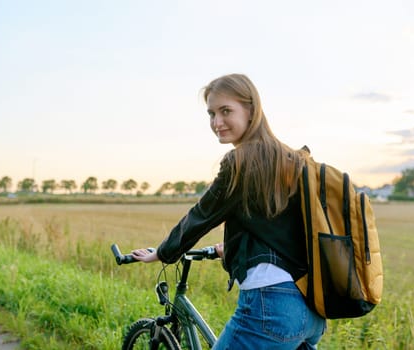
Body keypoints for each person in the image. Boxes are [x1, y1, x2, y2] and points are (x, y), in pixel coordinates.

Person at [132, 73, 326, 349]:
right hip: (310, 310)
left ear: (251, 110)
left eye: (226, 111)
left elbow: (203, 214)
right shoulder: (293, 159)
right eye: (211, 113)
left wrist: (162, 252)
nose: (216, 122)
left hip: (271, 306)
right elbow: (277, 226)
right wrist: (236, 247)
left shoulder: (241, 161)